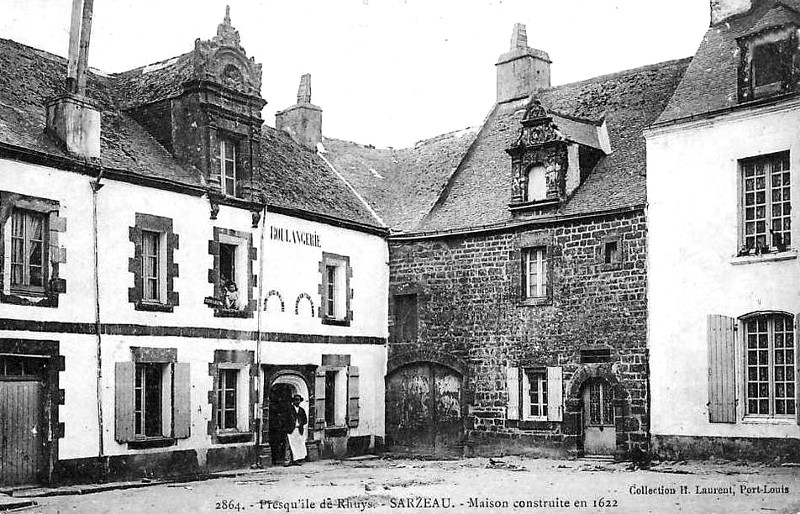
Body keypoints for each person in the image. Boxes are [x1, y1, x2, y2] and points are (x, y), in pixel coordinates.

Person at [285, 394, 308, 466]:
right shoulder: (289, 409)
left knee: (298, 445)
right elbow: (285, 419)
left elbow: (305, 420)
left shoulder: (302, 410)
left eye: (298, 400)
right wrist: (289, 426)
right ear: (293, 401)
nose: (297, 402)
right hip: (291, 430)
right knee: (289, 445)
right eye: (296, 400)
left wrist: (300, 424)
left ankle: (297, 460)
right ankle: (287, 460)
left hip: (299, 430)